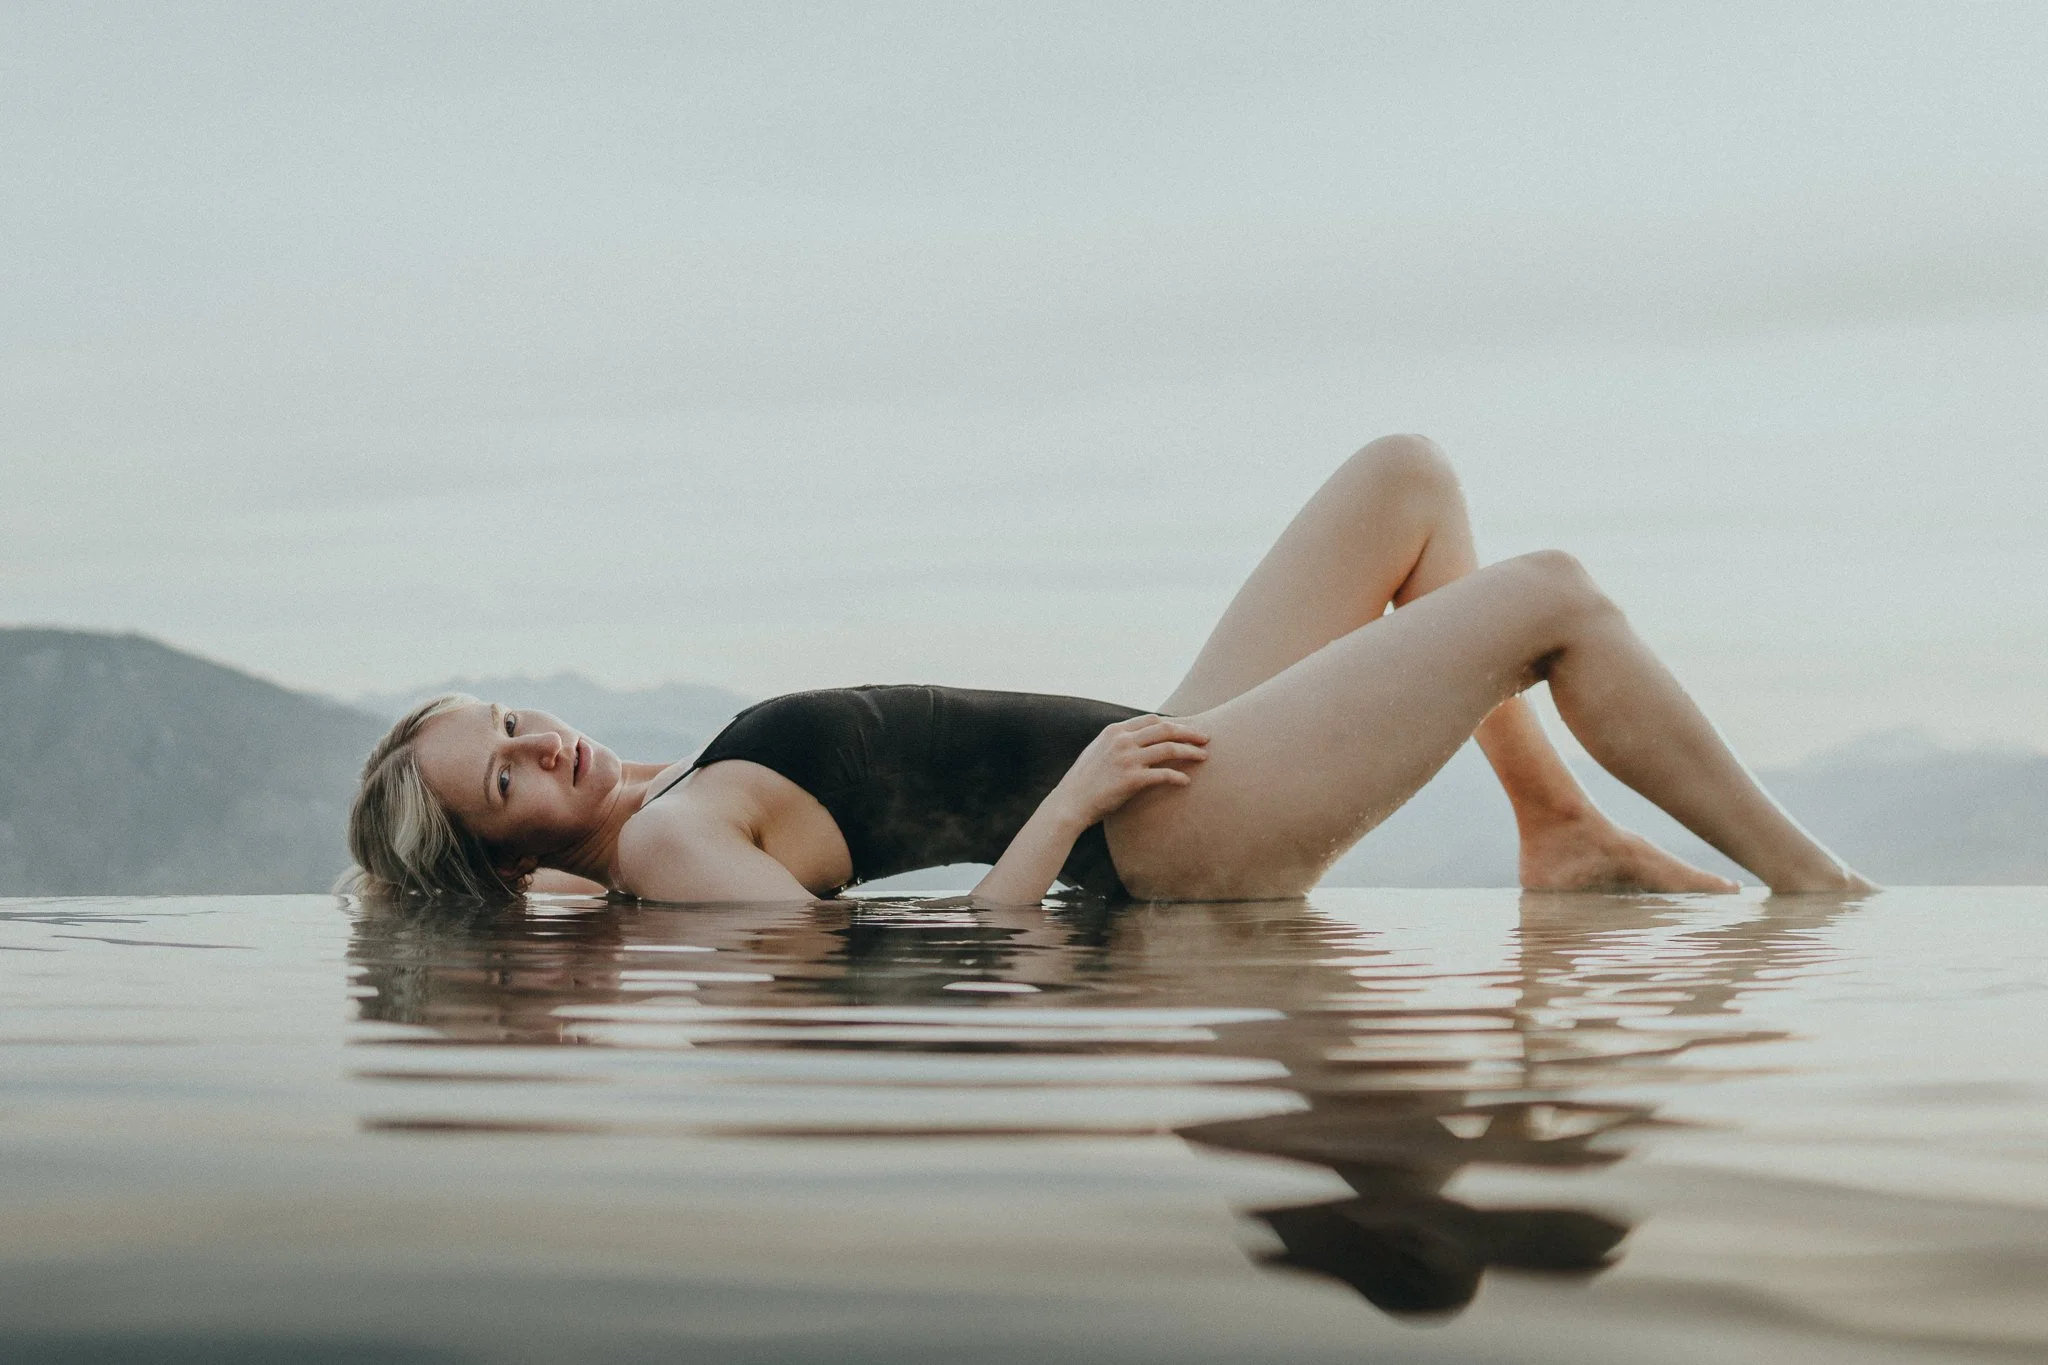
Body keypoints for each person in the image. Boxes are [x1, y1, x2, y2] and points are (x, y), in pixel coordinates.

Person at [344, 436, 1873, 904]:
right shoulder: (670, 847)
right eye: (505, 781)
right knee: (1551, 597)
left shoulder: (663, 799)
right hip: (1150, 836)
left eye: (510, 721)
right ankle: (1823, 892)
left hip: (1163, 757)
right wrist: (1074, 806)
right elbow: (917, 961)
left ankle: (1561, 830)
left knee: (1406, 481)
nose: (539, 745)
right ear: (510, 857)